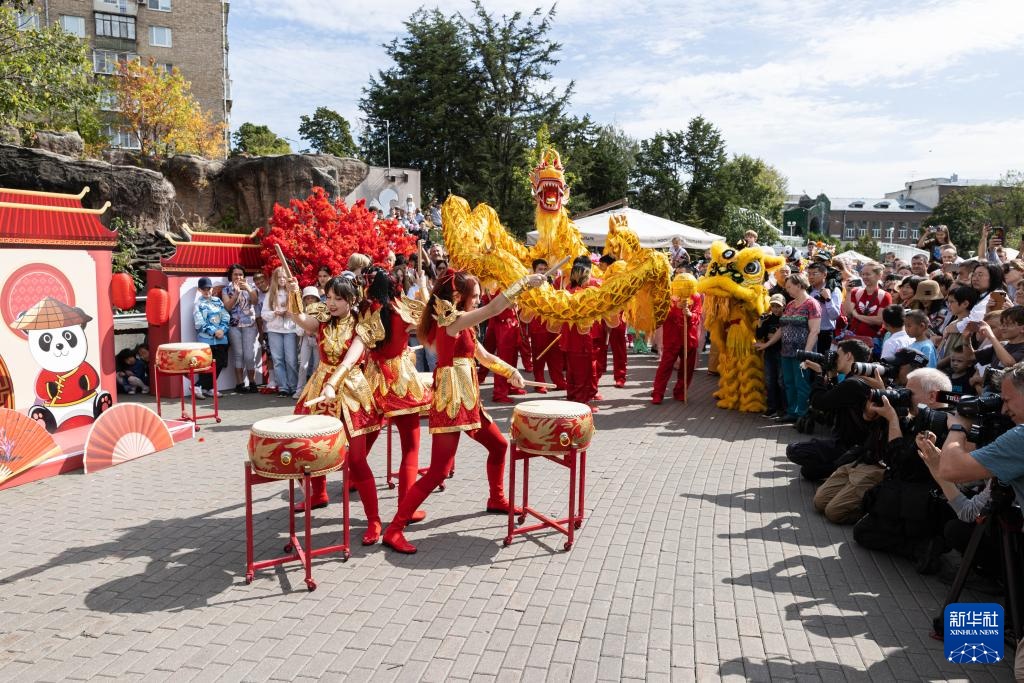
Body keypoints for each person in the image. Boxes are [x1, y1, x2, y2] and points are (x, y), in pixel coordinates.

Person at [381, 268, 548, 554]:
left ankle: (496, 499)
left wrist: (511, 372)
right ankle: (394, 529)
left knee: (498, 445)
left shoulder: (462, 323)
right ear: (459, 296)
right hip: (451, 401)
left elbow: (483, 356)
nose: (479, 299)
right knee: (438, 472)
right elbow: (495, 308)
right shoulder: (454, 321)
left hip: (468, 400)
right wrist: (524, 283)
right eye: (476, 295)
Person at [290, 276, 384, 542]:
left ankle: (374, 520)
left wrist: (332, 384)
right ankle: (317, 493)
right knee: (305, 445)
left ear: (351, 300)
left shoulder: (361, 325)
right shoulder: (322, 318)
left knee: (356, 461)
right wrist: (293, 292)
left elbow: (350, 359)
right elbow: (299, 318)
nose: (330, 303)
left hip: (351, 391)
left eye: (337, 299)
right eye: (328, 297)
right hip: (321, 385)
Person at [359, 266, 434, 524]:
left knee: (363, 443)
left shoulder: (364, 310)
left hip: (371, 377)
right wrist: (423, 287)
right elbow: (432, 315)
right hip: (400, 378)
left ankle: (352, 479)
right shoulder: (401, 310)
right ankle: (406, 506)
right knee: (410, 447)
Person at [754, 273, 821, 421]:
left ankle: (802, 414)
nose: (788, 290)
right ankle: (792, 412)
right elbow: (782, 328)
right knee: (789, 383)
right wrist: (767, 344)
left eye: (790, 287)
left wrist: (806, 354)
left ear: (799, 285)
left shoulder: (812, 304)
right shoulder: (790, 304)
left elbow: (815, 331)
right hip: (786, 352)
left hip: (801, 353)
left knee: (801, 384)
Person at [651, 276, 701, 404]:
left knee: (687, 367)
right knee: (665, 366)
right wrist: (675, 308)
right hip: (672, 337)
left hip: (689, 336)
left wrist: (690, 314)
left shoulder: (695, 296)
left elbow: (697, 315)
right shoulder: (667, 295)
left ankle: (681, 391)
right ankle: (658, 393)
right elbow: (662, 314)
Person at [561, 256, 602, 410]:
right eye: (588, 275)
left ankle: (572, 396)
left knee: (573, 369)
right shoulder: (583, 293)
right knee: (582, 371)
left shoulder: (567, 291)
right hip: (581, 337)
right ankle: (581, 402)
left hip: (570, 338)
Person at [260, 266, 301, 398]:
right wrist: (275, 313)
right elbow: (264, 314)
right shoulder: (270, 294)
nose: (282, 279)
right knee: (278, 360)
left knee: (291, 359)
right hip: (274, 330)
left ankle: (293, 386)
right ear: (275, 279)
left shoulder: (294, 293)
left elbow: (300, 310)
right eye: (279, 277)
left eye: (284, 277)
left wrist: (291, 313)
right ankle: (283, 387)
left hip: (290, 329)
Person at [527, 259, 566, 392]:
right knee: (539, 356)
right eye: (540, 270)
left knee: (556, 355)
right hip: (538, 326)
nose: (543, 273)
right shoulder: (529, 285)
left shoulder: (552, 284)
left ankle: (559, 381)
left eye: (545, 270)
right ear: (534, 271)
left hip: (553, 325)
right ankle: (539, 383)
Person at [220, 264, 259, 394]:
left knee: (249, 355)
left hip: (249, 325)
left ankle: (252, 382)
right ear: (231, 276)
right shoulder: (226, 289)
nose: (238, 277)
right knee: (238, 354)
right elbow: (227, 307)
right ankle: (239, 384)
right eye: (235, 274)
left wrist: (247, 288)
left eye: (241, 274)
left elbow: (255, 301)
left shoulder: (251, 286)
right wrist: (236, 294)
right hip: (234, 325)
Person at [192, 277, 228, 399]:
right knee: (207, 365)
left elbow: (225, 316)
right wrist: (214, 332)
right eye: (204, 289)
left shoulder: (218, 301)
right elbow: (199, 322)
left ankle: (208, 387)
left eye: (209, 288)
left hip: (221, 338)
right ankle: (199, 386)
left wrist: (222, 330)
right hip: (206, 339)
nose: (207, 291)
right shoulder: (198, 304)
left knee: (220, 362)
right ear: (199, 290)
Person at [595, 255, 628, 388]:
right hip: (601, 316)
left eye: (601, 265)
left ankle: (620, 376)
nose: (599, 267)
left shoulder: (624, 282)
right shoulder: (599, 280)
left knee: (619, 347)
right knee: (599, 345)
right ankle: (598, 371)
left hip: (619, 316)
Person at [844, 262, 891, 342]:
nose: (864, 277)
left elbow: (879, 320)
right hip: (853, 338)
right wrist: (848, 292)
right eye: (863, 274)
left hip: (871, 341)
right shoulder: (856, 292)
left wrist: (857, 315)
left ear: (879, 276)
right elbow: (847, 312)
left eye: (868, 274)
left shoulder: (885, 296)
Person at [757, 294, 786, 417]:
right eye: (773, 306)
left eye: (778, 306)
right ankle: (772, 407)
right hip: (769, 352)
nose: (775, 309)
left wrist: (774, 337)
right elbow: (759, 335)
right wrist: (760, 323)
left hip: (782, 352)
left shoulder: (786, 319)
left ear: (784, 306)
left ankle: (783, 407)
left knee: (781, 381)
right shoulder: (768, 319)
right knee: (770, 380)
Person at [806, 262, 841, 353]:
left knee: (822, 364)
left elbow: (834, 316)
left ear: (824, 274)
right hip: (809, 333)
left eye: (814, 273)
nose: (811, 277)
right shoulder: (808, 291)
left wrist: (828, 299)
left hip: (825, 334)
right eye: (809, 274)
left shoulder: (834, 290)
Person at [294, 286, 322, 397]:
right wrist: (306, 329)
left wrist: (315, 331)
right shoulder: (301, 312)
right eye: (308, 298)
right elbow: (298, 330)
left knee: (317, 365)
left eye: (312, 298)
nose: (310, 300)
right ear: (304, 300)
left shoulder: (322, 311)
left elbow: (323, 327)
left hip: (318, 340)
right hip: (306, 339)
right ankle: (300, 390)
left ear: (317, 299)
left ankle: (315, 390)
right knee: (303, 365)